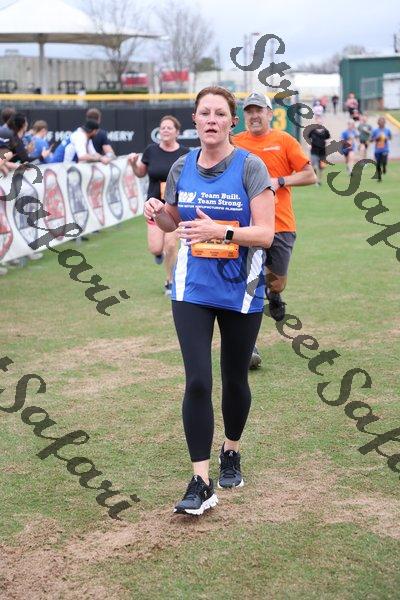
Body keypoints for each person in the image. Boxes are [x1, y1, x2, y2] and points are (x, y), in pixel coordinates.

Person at [143, 86, 275, 515]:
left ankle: (230, 450)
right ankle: (200, 481)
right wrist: (158, 212)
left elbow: (266, 234)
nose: (212, 120)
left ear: (231, 122)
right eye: (205, 113)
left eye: (220, 114)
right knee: (197, 380)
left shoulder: (251, 166)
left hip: (240, 289)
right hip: (192, 288)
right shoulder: (182, 166)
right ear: (195, 120)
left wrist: (221, 231)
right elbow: (174, 221)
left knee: (235, 379)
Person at [233, 92, 316, 369]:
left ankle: (276, 294)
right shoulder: (235, 143)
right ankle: (248, 346)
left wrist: (279, 181)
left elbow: (310, 175)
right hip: (248, 226)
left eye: (259, 110)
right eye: (249, 111)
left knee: (275, 280)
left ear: (270, 113)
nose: (254, 116)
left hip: (281, 225)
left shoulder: (284, 140)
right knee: (249, 284)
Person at [129, 116, 190, 295]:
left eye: (169, 128)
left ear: (177, 132)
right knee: (156, 248)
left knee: (170, 245)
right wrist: (133, 164)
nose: (165, 130)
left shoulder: (185, 153)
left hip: (175, 206)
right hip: (154, 206)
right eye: (162, 127)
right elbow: (140, 173)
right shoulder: (151, 151)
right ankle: (158, 254)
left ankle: (170, 281)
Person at [309, 116, 330, 185]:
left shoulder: (325, 131)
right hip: (314, 151)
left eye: (320, 121)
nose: (319, 123)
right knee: (314, 166)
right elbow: (309, 139)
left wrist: (327, 144)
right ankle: (315, 179)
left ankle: (319, 180)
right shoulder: (312, 131)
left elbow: (328, 139)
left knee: (321, 167)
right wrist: (309, 145)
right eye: (318, 121)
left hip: (322, 151)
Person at [371, 117, 392, 182]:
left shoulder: (387, 130)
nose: (381, 123)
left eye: (382, 122)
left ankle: (384, 167)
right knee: (378, 164)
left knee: (384, 161)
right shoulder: (375, 131)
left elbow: (390, 137)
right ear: (378, 123)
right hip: (377, 150)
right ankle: (379, 177)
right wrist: (377, 138)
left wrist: (386, 138)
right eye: (380, 122)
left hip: (385, 149)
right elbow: (371, 139)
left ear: (384, 123)